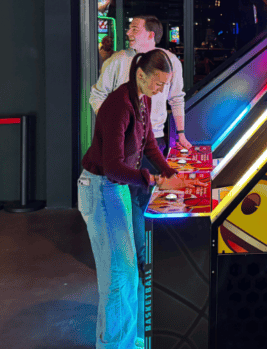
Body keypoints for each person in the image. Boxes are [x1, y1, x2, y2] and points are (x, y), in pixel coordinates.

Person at [78, 49, 198, 349]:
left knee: (128, 274)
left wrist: (170, 172)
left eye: (164, 85)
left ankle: (126, 341)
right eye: (157, 83)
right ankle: (115, 345)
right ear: (140, 74)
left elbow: (148, 144)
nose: (160, 90)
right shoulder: (119, 105)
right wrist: (153, 179)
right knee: (119, 276)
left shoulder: (141, 100)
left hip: (113, 188)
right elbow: (112, 166)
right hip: (100, 187)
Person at [90, 15, 192, 271]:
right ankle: (136, 260)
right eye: (158, 84)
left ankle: (143, 257)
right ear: (141, 75)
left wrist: (177, 144)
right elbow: (97, 95)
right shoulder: (118, 66)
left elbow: (175, 100)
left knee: (145, 200)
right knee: (132, 199)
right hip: (121, 147)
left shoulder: (158, 77)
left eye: (134, 28)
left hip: (152, 138)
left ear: (151, 35)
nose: (128, 33)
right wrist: (115, 125)